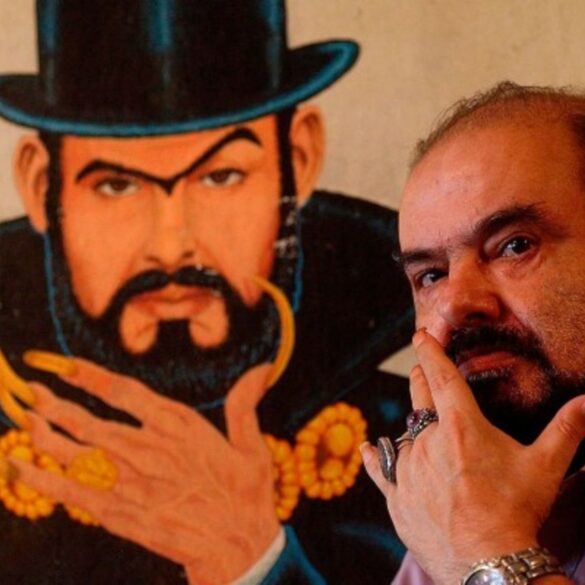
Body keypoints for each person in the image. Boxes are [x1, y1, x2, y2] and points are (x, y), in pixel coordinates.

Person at [0, 1, 414, 583]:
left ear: (298, 160)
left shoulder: (414, 446)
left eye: (221, 176)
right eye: (116, 186)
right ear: (42, 185)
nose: (172, 248)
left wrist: (257, 564)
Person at [361, 81, 585, 584]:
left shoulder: (467, 530)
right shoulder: (443, 523)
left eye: (514, 246)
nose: (455, 303)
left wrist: (488, 547)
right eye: (430, 276)